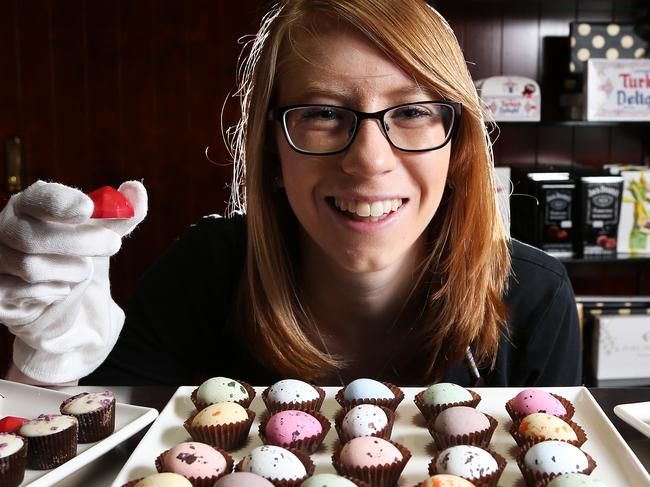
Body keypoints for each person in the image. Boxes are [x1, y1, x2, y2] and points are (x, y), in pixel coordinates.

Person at [0, 0, 581, 388]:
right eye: (324, 114)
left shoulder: (532, 296)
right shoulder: (203, 273)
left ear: (456, 150)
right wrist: (48, 368)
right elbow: (95, 459)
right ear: (273, 153)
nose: (370, 160)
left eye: (413, 112)